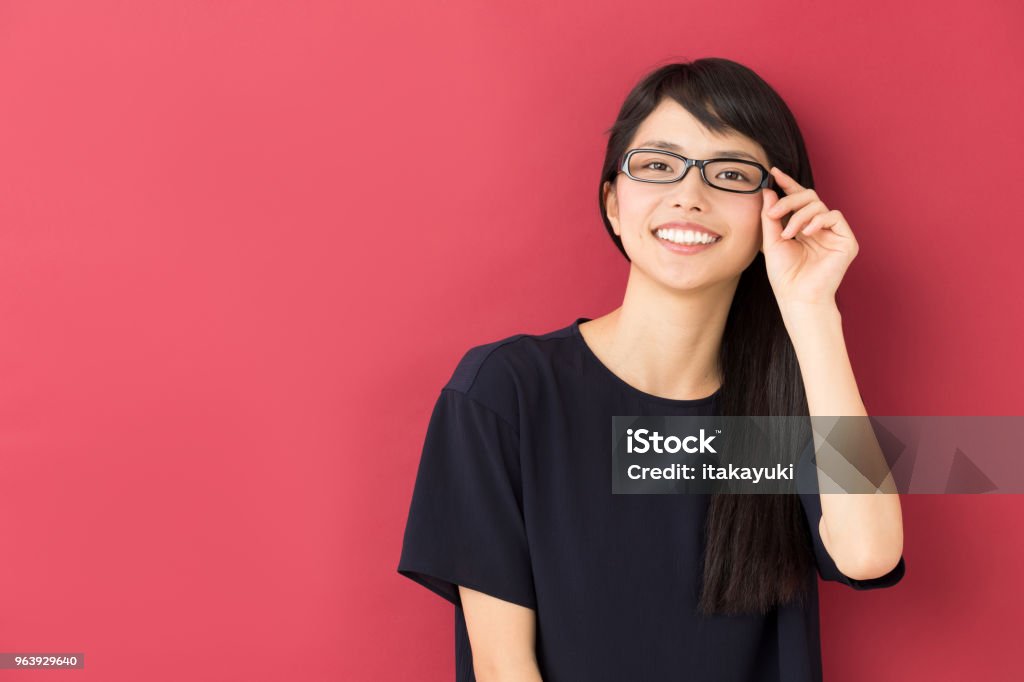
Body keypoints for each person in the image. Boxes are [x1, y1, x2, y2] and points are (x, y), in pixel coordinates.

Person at [396, 57, 906, 682]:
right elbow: (504, 666)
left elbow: (869, 555)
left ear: (777, 214)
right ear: (613, 202)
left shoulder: (785, 414)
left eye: (730, 173)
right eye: (659, 166)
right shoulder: (507, 391)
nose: (689, 196)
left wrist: (811, 308)